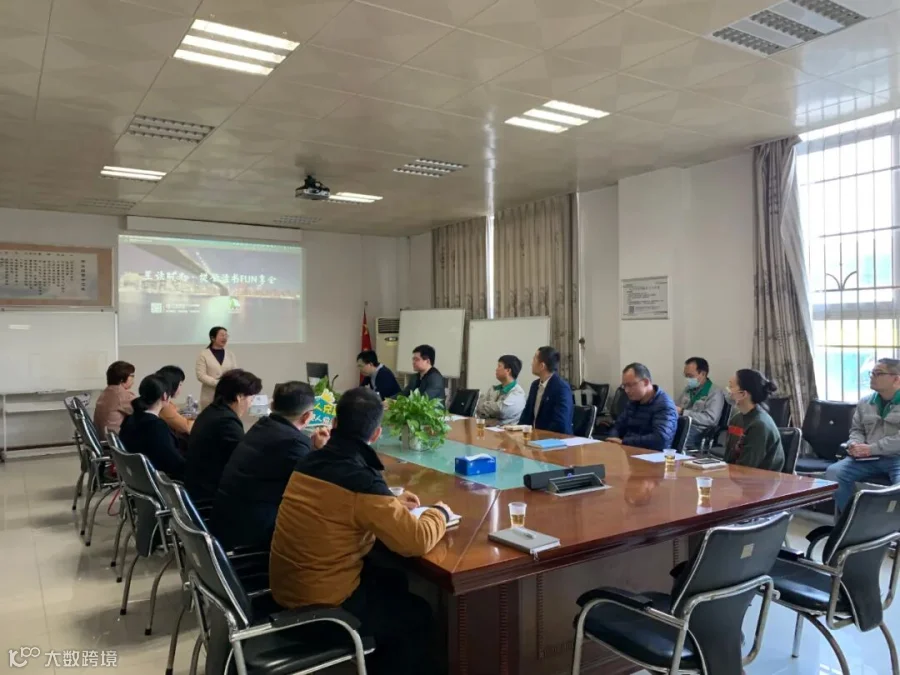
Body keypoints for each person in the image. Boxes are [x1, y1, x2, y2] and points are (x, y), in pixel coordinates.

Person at [270, 387, 451, 675]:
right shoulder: (360, 479)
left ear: (335, 423)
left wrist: (390, 503)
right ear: (376, 434)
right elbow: (416, 541)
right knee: (417, 615)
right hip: (322, 610)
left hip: (286, 590)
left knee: (392, 580)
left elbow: (341, 506)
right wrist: (439, 513)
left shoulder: (309, 461)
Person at [212, 381, 329, 550]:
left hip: (225, 525)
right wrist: (322, 450)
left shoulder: (261, 426)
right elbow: (317, 486)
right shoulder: (294, 442)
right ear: (307, 417)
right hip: (249, 539)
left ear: (272, 405)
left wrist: (312, 447)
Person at [825, 358, 900, 513]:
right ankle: (851, 519)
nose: (872, 377)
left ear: (896, 379)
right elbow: (857, 430)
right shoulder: (865, 402)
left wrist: (871, 448)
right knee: (834, 473)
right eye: (872, 373)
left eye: (878, 373)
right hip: (868, 458)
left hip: (896, 458)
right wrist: (854, 444)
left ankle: (891, 524)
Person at [185, 369, 262, 502]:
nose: (251, 404)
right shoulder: (226, 421)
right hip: (210, 495)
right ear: (240, 397)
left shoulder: (212, 411)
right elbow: (244, 461)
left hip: (197, 487)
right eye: (251, 398)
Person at [118, 374, 186, 480]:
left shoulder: (130, 419)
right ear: (164, 396)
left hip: (140, 479)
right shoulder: (156, 426)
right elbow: (174, 463)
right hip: (163, 480)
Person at [722, 369, 784, 472]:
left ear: (743, 394)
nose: (728, 391)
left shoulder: (759, 425)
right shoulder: (736, 419)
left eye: (731, 387)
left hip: (759, 479)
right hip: (736, 476)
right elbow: (729, 459)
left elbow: (746, 469)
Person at [607, 363, 677, 451]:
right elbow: (618, 426)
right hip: (630, 451)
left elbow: (660, 439)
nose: (626, 390)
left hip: (653, 455)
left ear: (646, 382)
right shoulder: (633, 402)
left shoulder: (664, 405)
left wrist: (624, 442)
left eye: (630, 385)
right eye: (624, 386)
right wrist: (613, 439)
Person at [518, 346, 573, 434]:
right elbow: (526, 416)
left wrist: (538, 435)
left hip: (555, 439)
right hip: (534, 437)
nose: (531, 363)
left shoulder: (561, 388)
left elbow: (560, 424)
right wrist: (517, 431)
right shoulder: (535, 385)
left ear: (542, 366)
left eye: (534, 359)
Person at [676, 357, 726, 450]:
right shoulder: (688, 389)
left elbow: (710, 419)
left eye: (690, 376)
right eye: (686, 376)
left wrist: (683, 412)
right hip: (682, 424)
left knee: (671, 437)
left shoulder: (714, 392)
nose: (688, 379)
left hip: (698, 431)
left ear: (703, 374)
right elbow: (677, 407)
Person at [476, 355, 527, 426]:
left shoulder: (518, 393)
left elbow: (502, 411)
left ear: (508, 370)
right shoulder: (493, 389)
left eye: (499, 366)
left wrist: (486, 407)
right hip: (488, 429)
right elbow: (478, 407)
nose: (496, 369)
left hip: (506, 431)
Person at [195, 326, 238, 410]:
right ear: (213, 338)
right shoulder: (203, 354)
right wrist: (217, 383)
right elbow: (201, 375)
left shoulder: (230, 354)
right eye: (222, 335)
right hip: (209, 396)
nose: (224, 338)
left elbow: (235, 373)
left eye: (226, 335)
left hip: (227, 395)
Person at [93, 361, 137, 437]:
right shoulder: (120, 394)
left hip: (103, 438)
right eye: (132, 375)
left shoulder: (107, 391)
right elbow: (146, 411)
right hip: (115, 440)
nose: (133, 378)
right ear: (122, 378)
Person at [156, 365, 193, 439]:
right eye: (180, 385)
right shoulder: (165, 406)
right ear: (172, 384)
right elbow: (187, 428)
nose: (180, 388)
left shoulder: (165, 402)